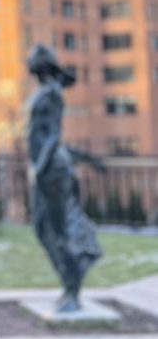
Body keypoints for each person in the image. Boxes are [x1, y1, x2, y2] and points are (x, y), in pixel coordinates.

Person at [26, 43, 102, 312]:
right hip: (45, 168)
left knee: (58, 230)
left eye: (33, 59)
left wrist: (40, 166)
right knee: (41, 227)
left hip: (52, 170)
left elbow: (53, 136)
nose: (29, 62)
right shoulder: (43, 92)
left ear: (42, 65)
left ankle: (73, 289)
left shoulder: (53, 94)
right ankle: (70, 280)